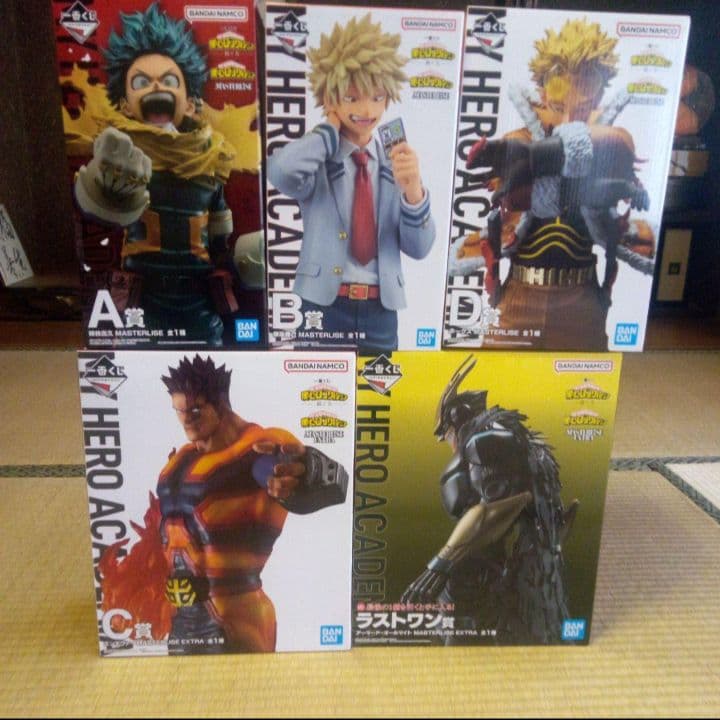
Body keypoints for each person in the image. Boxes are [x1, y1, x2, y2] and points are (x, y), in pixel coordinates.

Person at [99, 355, 348, 654]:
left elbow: (331, 483)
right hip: (181, 618)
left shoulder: (258, 448)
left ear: (220, 405)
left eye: (195, 409)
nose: (186, 418)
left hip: (237, 616)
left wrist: (307, 472)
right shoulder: (177, 463)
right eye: (179, 410)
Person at [456, 18, 654, 350]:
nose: (568, 119)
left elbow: (615, 146)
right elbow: (519, 199)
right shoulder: (517, 140)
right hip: (518, 296)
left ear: (599, 97)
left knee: (582, 380)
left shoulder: (613, 141)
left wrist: (539, 155)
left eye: (583, 108)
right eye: (559, 107)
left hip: (582, 300)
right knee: (496, 377)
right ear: (543, 93)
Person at [74, 3, 254, 345]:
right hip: (143, 298)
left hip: (199, 298)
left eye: (168, 80)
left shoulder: (210, 160)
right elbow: (94, 205)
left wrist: (241, 261)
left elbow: (221, 237)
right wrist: (102, 187)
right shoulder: (118, 157)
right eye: (142, 81)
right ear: (125, 104)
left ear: (190, 102)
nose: (156, 87)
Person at [267, 13, 435, 352]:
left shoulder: (395, 160)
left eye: (376, 97)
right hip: (323, 307)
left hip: (381, 310)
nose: (366, 109)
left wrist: (414, 193)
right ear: (330, 98)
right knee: (318, 387)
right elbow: (280, 171)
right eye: (352, 97)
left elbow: (420, 249)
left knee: (380, 387)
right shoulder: (317, 159)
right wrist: (327, 133)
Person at [402, 356, 578, 644]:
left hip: (505, 574)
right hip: (499, 569)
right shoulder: (505, 441)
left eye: (447, 434)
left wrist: (440, 564)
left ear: (455, 423)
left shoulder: (486, 443)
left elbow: (494, 509)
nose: (449, 443)